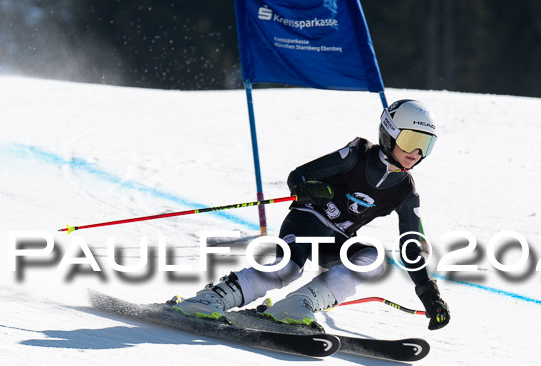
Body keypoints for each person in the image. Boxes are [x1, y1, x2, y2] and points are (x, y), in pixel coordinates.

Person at [174, 99, 450, 331]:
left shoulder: (406, 191)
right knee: (287, 268)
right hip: (308, 219)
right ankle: (212, 298)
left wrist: (429, 293)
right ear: (389, 133)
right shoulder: (357, 154)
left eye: (426, 145)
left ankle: (298, 304)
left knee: (374, 260)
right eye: (411, 140)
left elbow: (411, 246)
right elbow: (299, 175)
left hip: (337, 239)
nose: (416, 152)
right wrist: (307, 189)